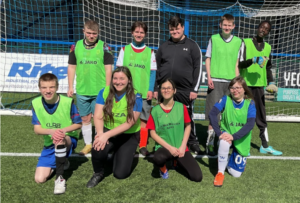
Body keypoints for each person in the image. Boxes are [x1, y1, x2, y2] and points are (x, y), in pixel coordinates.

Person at [86, 66, 142, 188]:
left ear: (129, 80)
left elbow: (130, 123)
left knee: (120, 174)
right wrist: (100, 134)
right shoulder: (104, 92)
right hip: (108, 130)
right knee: (97, 147)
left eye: (122, 78)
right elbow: (98, 115)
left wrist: (106, 135)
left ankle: (121, 152)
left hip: (128, 135)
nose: (118, 81)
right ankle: (98, 173)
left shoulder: (136, 96)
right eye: (115, 78)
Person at [155, 16, 203, 154]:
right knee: (164, 117)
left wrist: (194, 89)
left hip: (185, 90)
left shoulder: (192, 45)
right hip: (165, 90)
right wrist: (156, 88)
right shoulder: (164, 46)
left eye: (177, 28)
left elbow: (198, 68)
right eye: (172, 29)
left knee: (187, 117)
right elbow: (157, 67)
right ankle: (165, 141)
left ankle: (192, 142)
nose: (174, 31)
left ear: (182, 28)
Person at [67, 20, 114, 155]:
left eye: (94, 33)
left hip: (100, 91)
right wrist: (70, 86)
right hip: (82, 90)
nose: (91, 36)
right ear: (84, 31)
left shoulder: (104, 46)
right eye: (89, 33)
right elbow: (71, 66)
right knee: (85, 119)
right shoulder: (75, 46)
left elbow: (108, 69)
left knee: (100, 117)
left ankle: (101, 141)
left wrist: (107, 88)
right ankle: (88, 144)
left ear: (98, 33)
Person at [32, 73, 82, 194]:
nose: (48, 91)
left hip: (68, 139)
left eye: (51, 87)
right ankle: (62, 160)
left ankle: (59, 179)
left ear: (57, 87)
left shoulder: (68, 102)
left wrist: (62, 131)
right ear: (39, 88)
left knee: (59, 139)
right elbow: (37, 129)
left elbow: (78, 123)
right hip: (50, 143)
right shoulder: (36, 103)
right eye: (44, 87)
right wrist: (52, 131)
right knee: (39, 179)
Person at [239, 20, 282, 155]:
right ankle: (241, 144)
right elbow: (240, 64)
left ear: (268, 32)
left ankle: (264, 145)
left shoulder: (268, 47)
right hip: (245, 85)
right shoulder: (245, 42)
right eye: (262, 27)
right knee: (243, 115)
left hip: (259, 87)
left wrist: (271, 82)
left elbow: (268, 68)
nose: (263, 29)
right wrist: (252, 61)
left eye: (267, 29)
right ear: (258, 28)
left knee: (261, 115)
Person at [147, 79, 202, 181]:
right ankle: (163, 169)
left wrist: (182, 146)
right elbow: (152, 133)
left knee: (197, 177)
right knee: (158, 158)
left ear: (174, 90)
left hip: (180, 148)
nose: (166, 90)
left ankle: (175, 161)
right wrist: (170, 148)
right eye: (163, 88)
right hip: (165, 148)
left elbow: (188, 126)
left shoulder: (181, 107)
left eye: (169, 88)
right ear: (160, 90)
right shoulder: (155, 110)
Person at [116, 21, 157, 156]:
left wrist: (150, 89)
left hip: (144, 92)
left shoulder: (150, 52)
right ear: (132, 33)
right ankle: (128, 141)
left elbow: (152, 72)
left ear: (145, 34)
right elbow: (119, 71)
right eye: (137, 32)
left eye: (142, 32)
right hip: (127, 92)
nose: (139, 34)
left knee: (144, 119)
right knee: (127, 117)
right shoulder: (124, 50)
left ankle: (143, 144)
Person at [205, 14, 242, 156]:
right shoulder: (214, 39)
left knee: (228, 115)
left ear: (233, 26)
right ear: (220, 25)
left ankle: (227, 142)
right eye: (224, 25)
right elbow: (207, 59)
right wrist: (208, 77)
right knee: (213, 114)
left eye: (229, 25)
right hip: (215, 80)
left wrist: (237, 82)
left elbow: (236, 64)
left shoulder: (238, 41)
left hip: (231, 83)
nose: (227, 27)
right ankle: (210, 143)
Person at [209, 76, 256, 187]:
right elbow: (212, 114)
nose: (235, 90)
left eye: (238, 88)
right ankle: (220, 173)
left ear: (244, 89)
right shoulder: (226, 99)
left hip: (240, 137)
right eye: (232, 88)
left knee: (236, 174)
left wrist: (234, 136)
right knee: (224, 142)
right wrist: (219, 134)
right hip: (226, 135)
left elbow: (250, 125)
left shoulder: (250, 103)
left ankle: (228, 158)